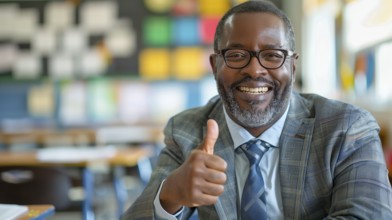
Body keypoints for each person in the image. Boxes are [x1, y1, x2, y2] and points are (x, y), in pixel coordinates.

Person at [121, 1, 392, 219]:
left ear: (293, 67)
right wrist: (169, 196)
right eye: (237, 55)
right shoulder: (186, 131)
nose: (254, 70)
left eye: (273, 55)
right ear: (215, 66)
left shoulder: (346, 128)